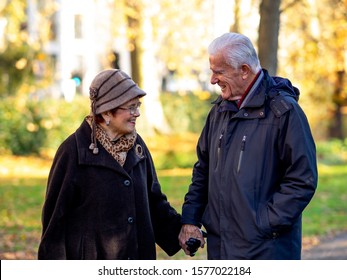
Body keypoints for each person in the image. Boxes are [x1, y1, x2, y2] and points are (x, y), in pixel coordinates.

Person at [178, 32, 318, 260]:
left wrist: (265, 224)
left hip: (266, 251)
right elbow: (202, 169)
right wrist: (190, 219)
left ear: (244, 70)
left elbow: (302, 180)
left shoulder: (284, 112)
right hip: (221, 251)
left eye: (218, 72)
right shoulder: (218, 112)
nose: (213, 80)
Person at [38, 69, 182, 260]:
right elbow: (55, 222)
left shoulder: (137, 146)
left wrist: (181, 232)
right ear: (106, 111)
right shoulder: (72, 151)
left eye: (137, 106)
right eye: (130, 107)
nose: (137, 113)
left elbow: (154, 202)